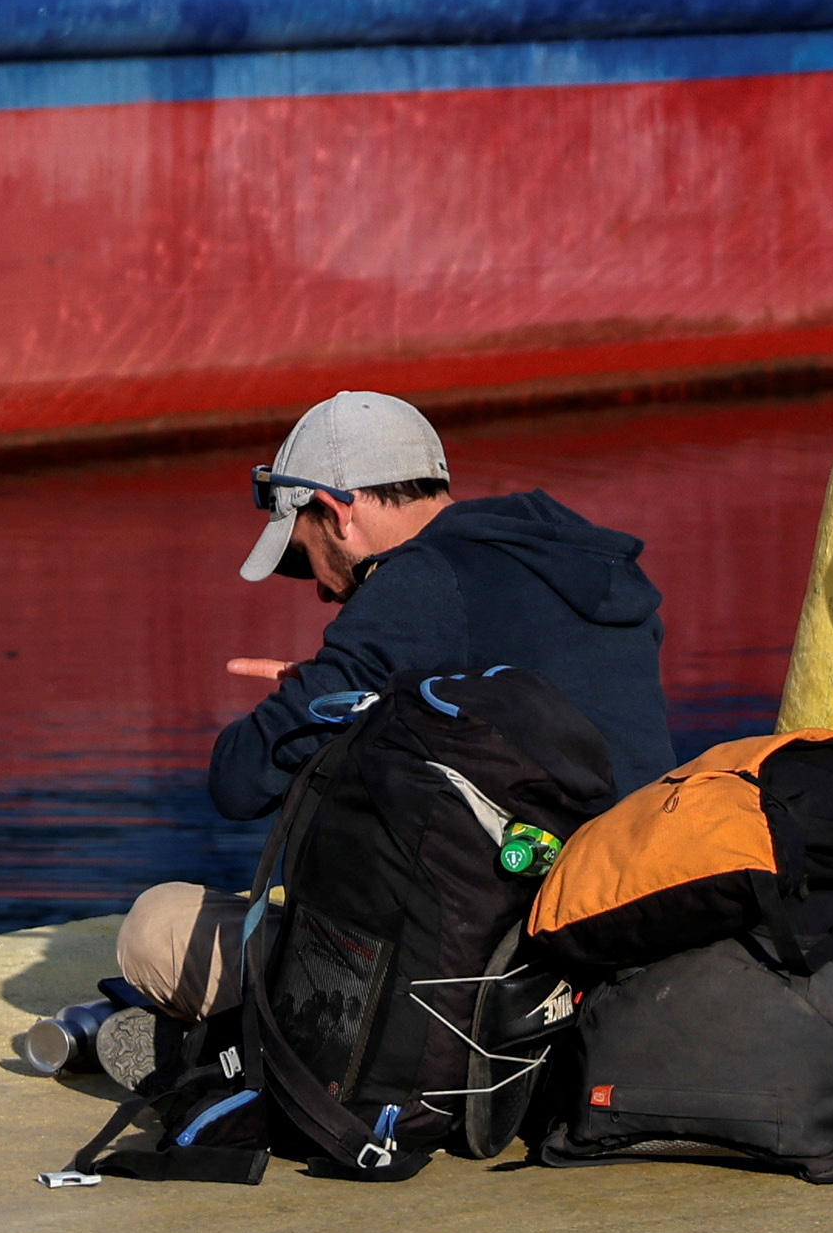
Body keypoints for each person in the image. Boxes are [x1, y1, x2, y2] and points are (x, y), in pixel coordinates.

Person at [113, 389, 670, 1018]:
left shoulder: (418, 582)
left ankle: (231, 1047)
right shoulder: (582, 563)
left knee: (157, 927)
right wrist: (356, 692)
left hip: (480, 974)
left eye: (305, 557)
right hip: (631, 926)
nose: (323, 593)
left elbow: (238, 781)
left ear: (336, 512)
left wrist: (312, 692)